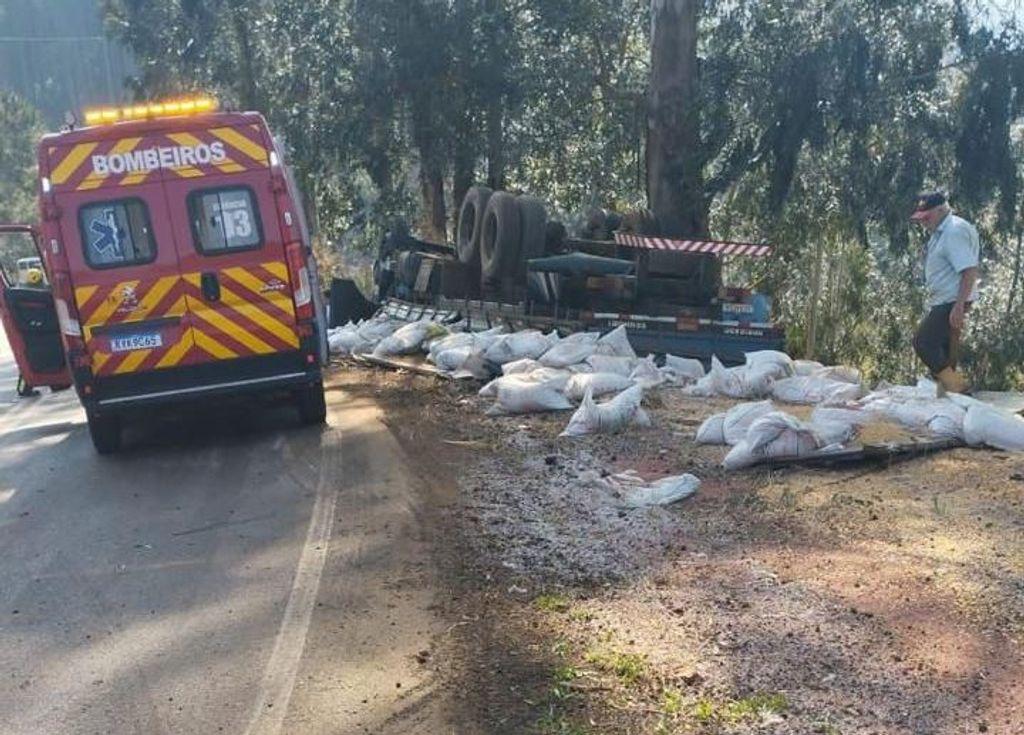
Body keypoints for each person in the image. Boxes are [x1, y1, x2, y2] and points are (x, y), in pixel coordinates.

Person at [910, 191, 979, 394]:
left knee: (923, 342)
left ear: (941, 210)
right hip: (947, 299)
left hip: (952, 299)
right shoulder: (942, 231)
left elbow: (969, 270)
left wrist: (959, 305)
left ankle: (960, 390)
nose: (924, 223)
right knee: (946, 351)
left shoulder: (953, 231)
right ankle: (949, 396)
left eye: (927, 217)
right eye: (921, 219)